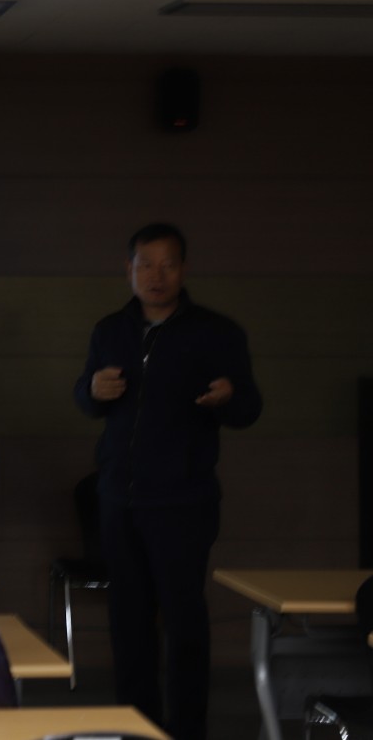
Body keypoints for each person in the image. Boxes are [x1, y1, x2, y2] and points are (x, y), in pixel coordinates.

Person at [73, 223, 261, 740]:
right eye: (146, 265)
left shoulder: (216, 332)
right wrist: (92, 390)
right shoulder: (110, 330)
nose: (156, 275)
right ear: (129, 269)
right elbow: (86, 398)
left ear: (184, 269)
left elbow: (250, 407)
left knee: (183, 622)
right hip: (118, 498)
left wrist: (228, 398)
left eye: (168, 264)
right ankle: (136, 727)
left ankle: (186, 729)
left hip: (183, 500)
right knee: (128, 622)